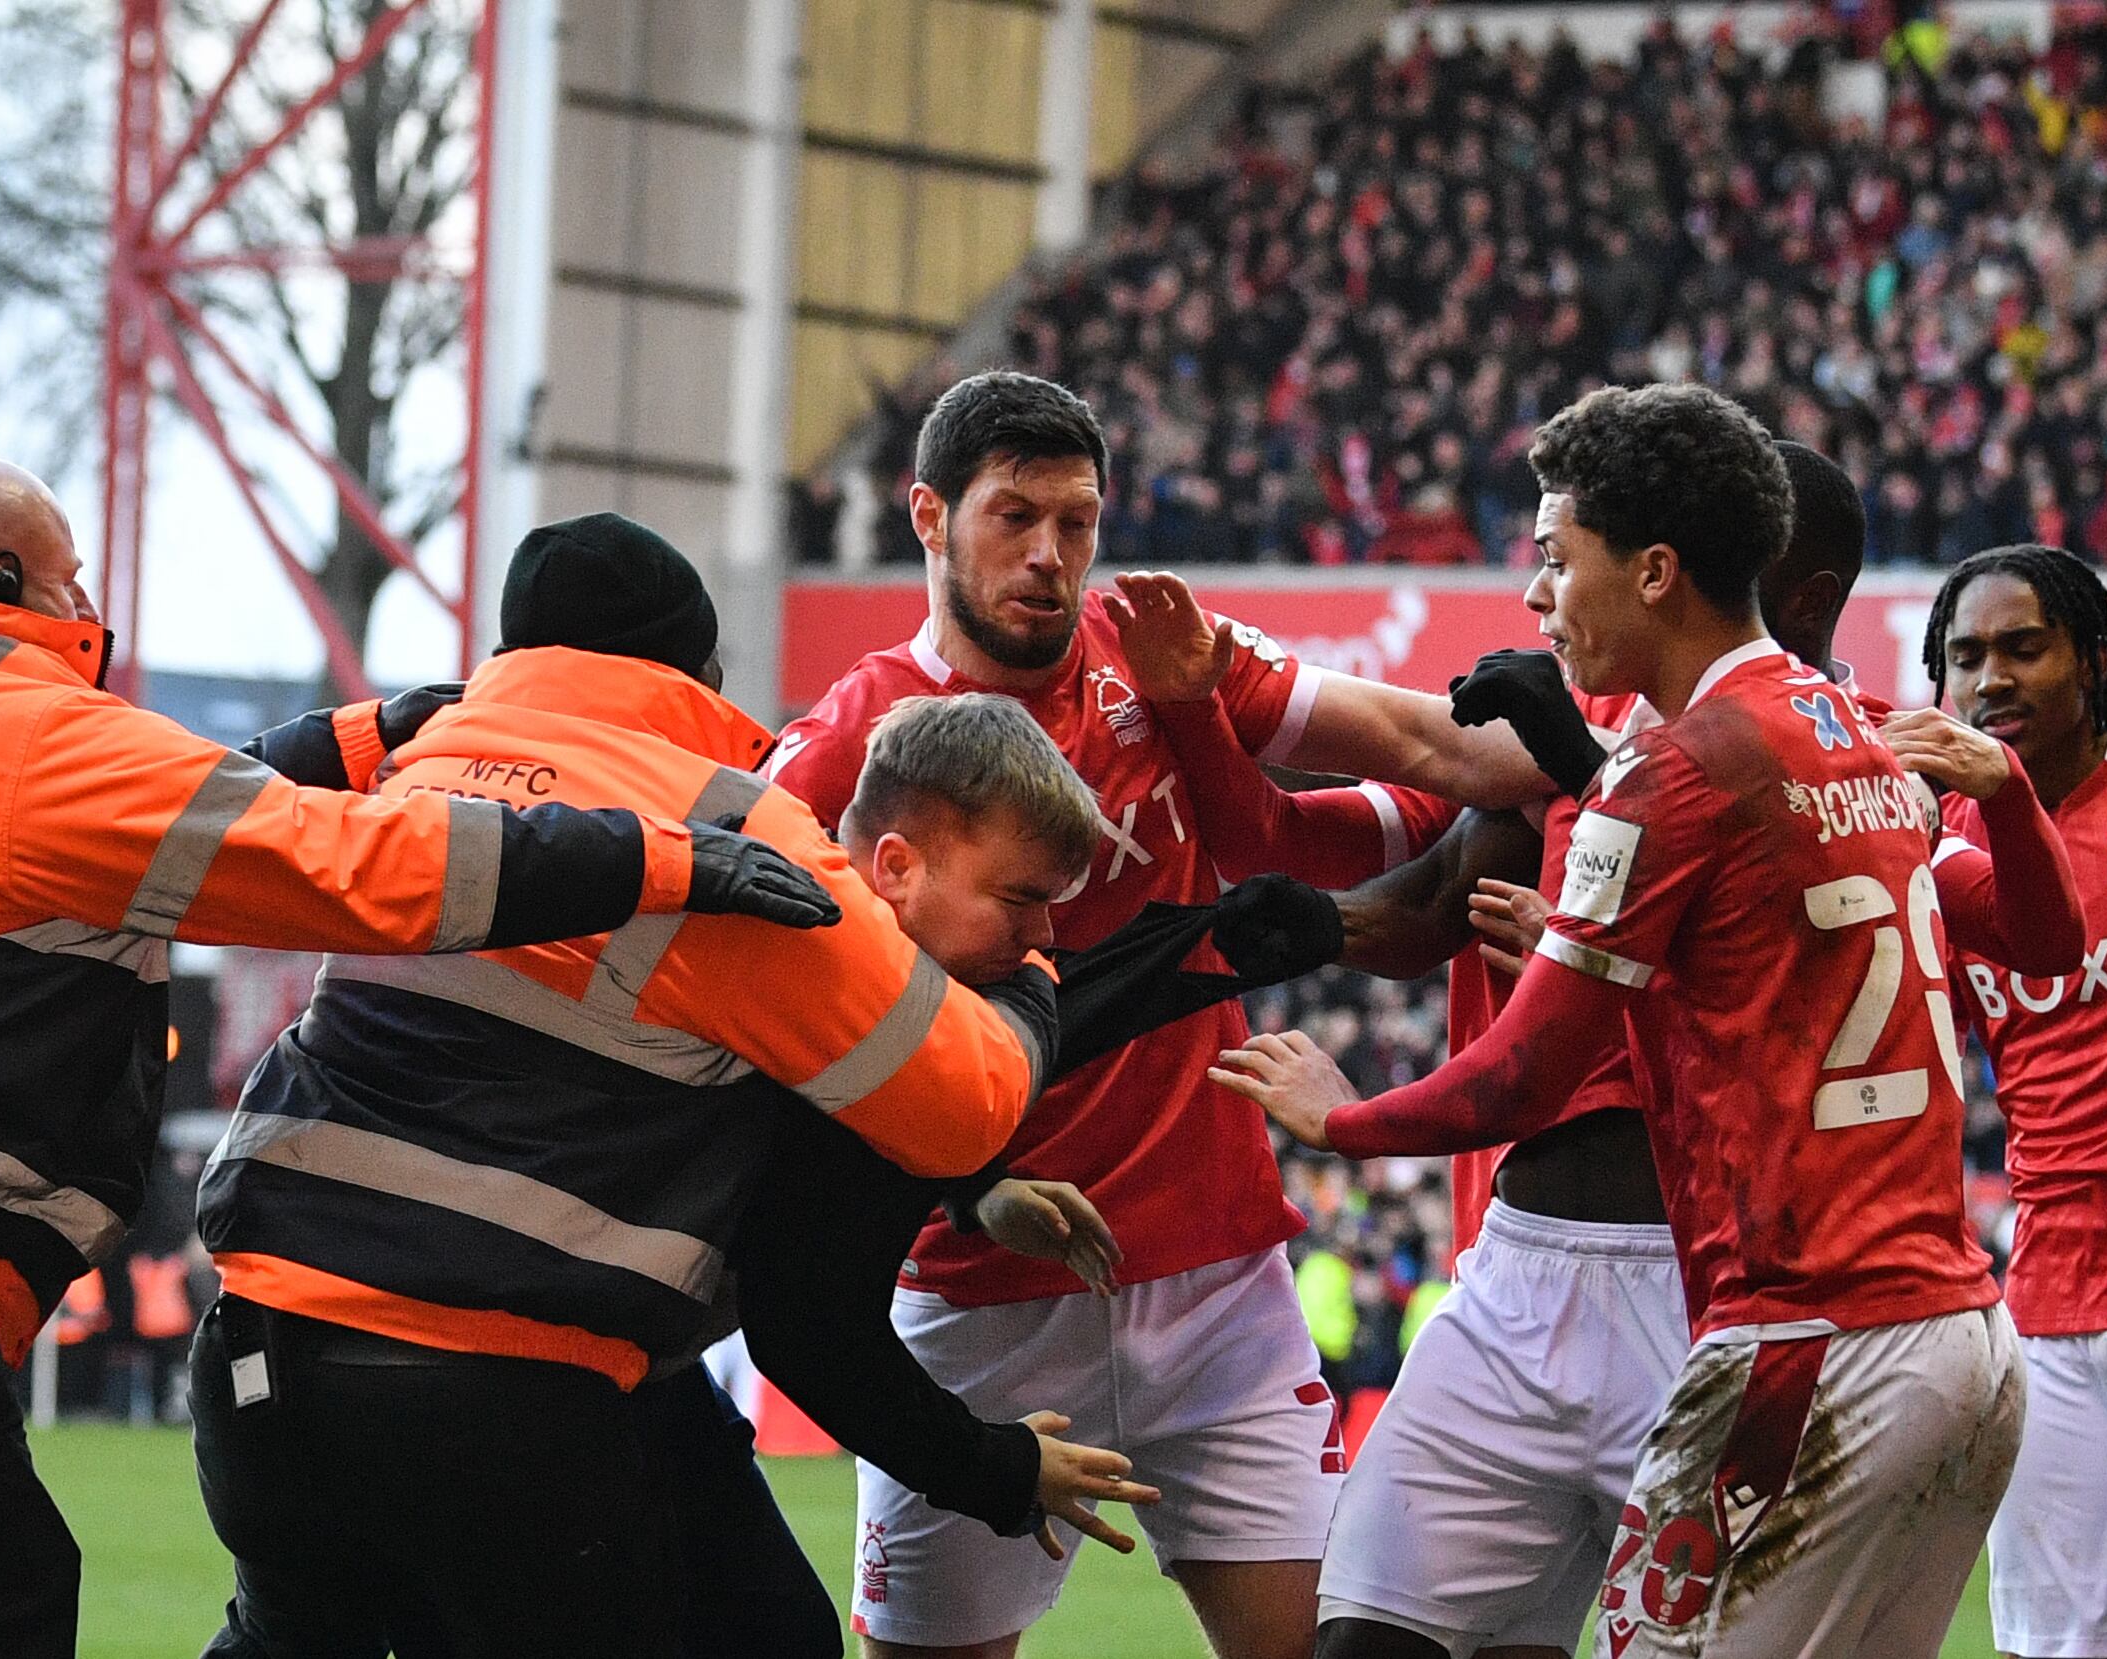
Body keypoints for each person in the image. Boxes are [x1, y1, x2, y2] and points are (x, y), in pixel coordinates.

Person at [0, 464, 833, 1659]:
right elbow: (333, 864)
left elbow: (132, 819)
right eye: (71, 581)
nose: (88, 607)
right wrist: (650, 860)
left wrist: (364, 738)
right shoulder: (4, 722)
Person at [1140, 440, 2083, 1659]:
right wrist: (2003, 794)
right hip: (1868, 1317)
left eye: (1555, 560)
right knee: (1368, 1633)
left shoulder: (1666, 767)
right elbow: (2026, 938)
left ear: (1657, 574)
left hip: (1780, 1322)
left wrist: (1343, 1117)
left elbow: (1528, 1062)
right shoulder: (1864, 749)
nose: (1537, 595)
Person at [189, 513, 1059, 1659]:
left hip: (258, 1362)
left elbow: (181, 806)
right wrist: (1033, 970)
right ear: (699, 672)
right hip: (498, 1392)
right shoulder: (735, 829)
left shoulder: (413, 770)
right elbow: (965, 1102)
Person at [769, 372, 1462, 1659]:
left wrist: (1595, 720)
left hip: (1215, 1272)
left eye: (1076, 523)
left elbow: (1431, 751)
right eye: (1012, 516)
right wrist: (969, 1188)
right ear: (927, 517)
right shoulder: (837, 751)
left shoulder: (1160, 661)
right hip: (979, 1296)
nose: (1048, 557)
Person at [651, 693, 1351, 1659]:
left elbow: (1034, 1020)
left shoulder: (832, 921)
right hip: (553, 1364)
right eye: (1021, 900)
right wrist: (1001, 1468)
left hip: (594, 1346)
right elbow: (809, 1327)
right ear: (895, 864)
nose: (1040, 936)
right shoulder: (825, 989)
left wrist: (975, 1187)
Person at [1920, 544, 2107, 1659]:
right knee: (2055, 1647)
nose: (1990, 679)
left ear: (2093, 661)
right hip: (2046, 1309)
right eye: (1964, 658)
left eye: (2021, 648)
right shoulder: (1943, 850)